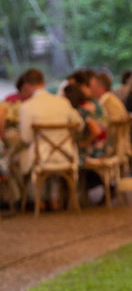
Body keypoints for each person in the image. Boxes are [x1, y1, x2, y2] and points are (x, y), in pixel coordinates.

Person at [18, 68, 82, 209]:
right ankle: (54, 199)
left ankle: (37, 199)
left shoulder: (26, 107)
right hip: (67, 155)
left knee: (22, 156)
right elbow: (79, 124)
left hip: (41, 157)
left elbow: (26, 138)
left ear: (27, 86)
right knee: (50, 154)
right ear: (44, 83)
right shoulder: (62, 102)